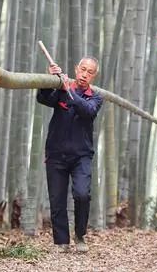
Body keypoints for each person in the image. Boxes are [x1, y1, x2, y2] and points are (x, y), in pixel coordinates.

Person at [37, 57, 103, 253]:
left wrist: (69, 90)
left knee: (82, 194)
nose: (84, 74)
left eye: (89, 72)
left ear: (94, 75)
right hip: (56, 154)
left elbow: (88, 111)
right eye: (82, 69)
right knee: (57, 199)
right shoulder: (61, 89)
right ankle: (61, 242)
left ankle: (80, 234)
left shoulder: (96, 97)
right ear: (76, 68)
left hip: (81, 156)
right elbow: (43, 98)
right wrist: (50, 81)